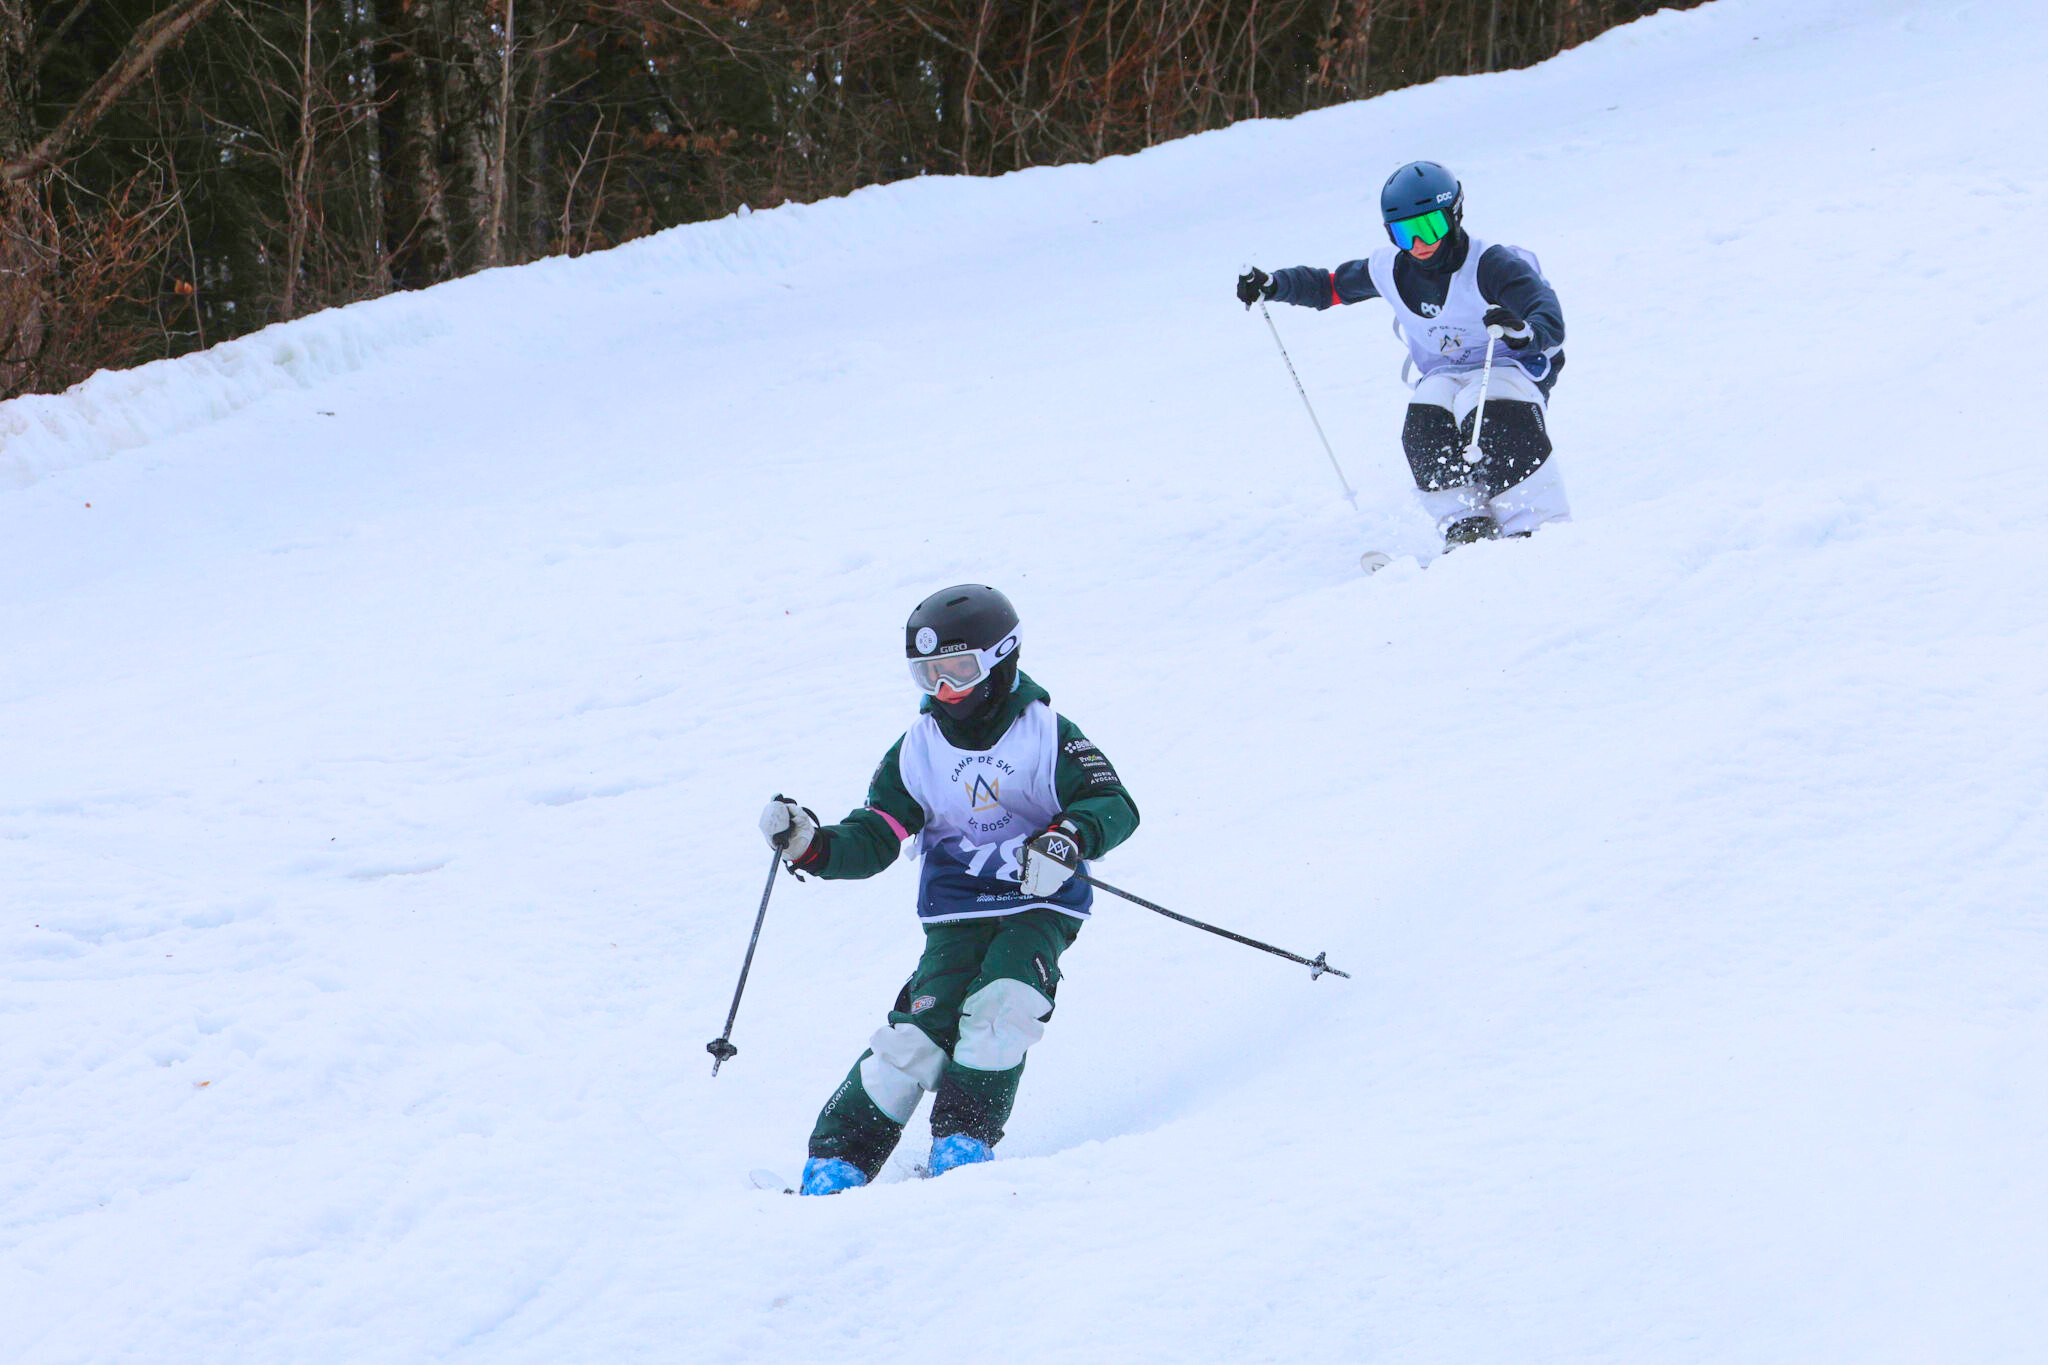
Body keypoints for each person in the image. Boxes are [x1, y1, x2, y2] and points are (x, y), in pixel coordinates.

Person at [759, 584, 1140, 1196]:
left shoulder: (1046, 733)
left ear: (1001, 659)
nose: (945, 690)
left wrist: (1069, 838)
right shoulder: (918, 749)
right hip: (956, 911)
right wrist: (814, 847)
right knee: (915, 1037)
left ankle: (962, 1146)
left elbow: (1112, 802)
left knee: (1004, 1003)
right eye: (928, 674)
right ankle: (837, 1164)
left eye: (959, 670)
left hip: (1038, 900)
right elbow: (876, 834)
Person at [1237, 160, 1570, 547]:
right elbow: (1330, 287)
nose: (1418, 244)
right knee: (1425, 418)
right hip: (1446, 371)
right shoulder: (1392, 269)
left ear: (1454, 215)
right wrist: (1274, 285)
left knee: (1486, 409)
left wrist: (1524, 332)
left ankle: (1536, 524)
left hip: (1513, 362)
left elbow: (1546, 313)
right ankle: (1466, 522)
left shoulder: (1491, 265)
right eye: (1403, 232)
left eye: (1429, 227)